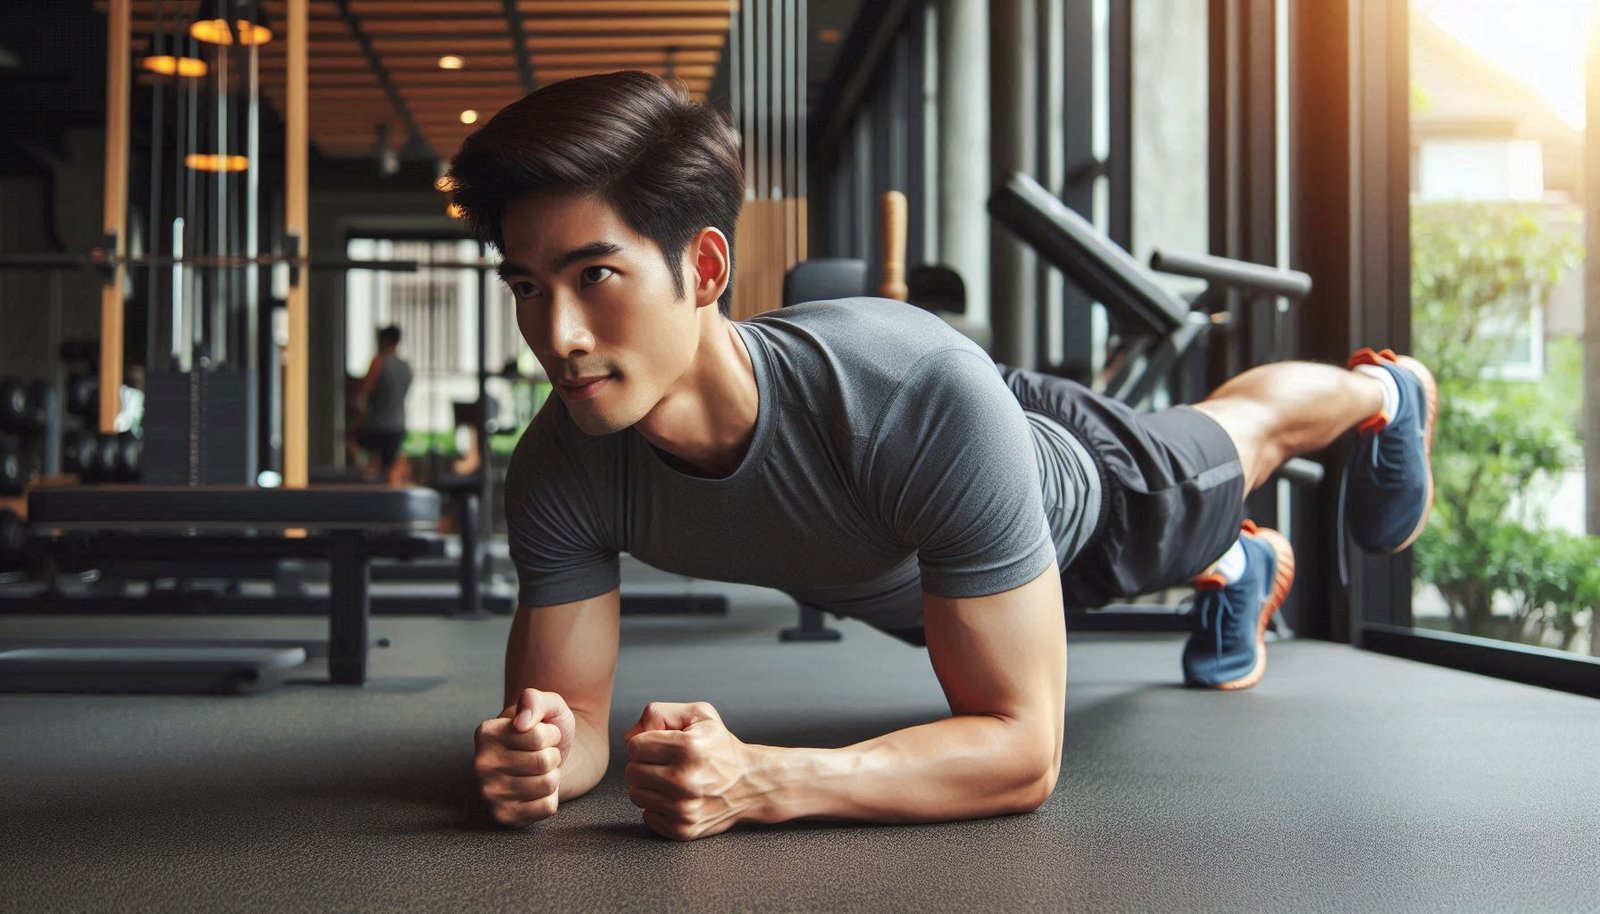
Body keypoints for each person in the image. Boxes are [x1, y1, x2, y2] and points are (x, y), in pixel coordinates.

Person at [449, 72, 1437, 841]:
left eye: (597, 276)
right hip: (948, 525)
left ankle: (1381, 394)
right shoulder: (563, 463)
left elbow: (1022, 751)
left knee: (1239, 433)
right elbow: (572, 719)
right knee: (1053, 581)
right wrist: (538, 754)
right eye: (530, 287)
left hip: (1083, 489)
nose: (560, 333)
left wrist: (764, 777)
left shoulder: (905, 402)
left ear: (704, 268)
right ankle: (1237, 565)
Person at [353, 325, 413, 486]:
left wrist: (358, 418)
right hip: (397, 424)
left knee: (370, 465)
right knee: (389, 470)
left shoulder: (379, 362)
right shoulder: (406, 367)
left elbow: (364, 393)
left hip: (376, 425)